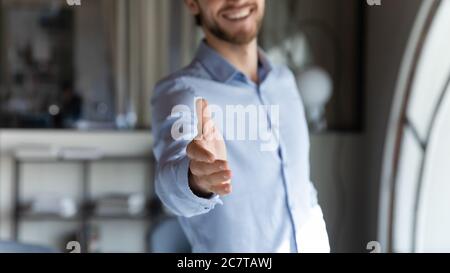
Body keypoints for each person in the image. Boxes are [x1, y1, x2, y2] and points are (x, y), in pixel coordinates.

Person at [152, 0, 329, 253]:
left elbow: (300, 184)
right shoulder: (181, 92)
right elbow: (170, 185)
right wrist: (197, 179)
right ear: (192, 3)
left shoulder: (285, 81)